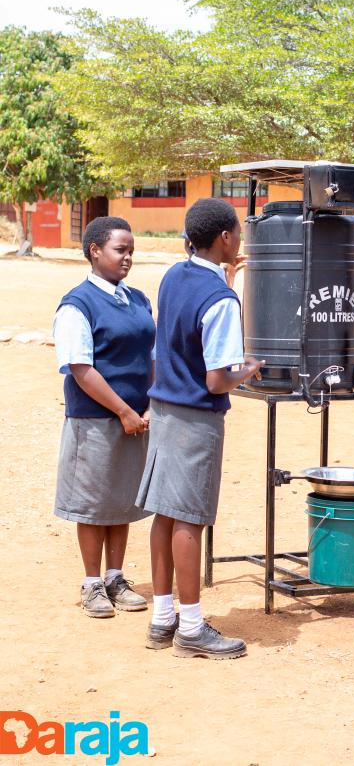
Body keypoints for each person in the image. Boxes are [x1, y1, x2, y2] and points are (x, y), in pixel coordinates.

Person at [136, 198, 263, 659]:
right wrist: (249, 369)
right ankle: (191, 628)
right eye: (238, 233)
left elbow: (179, 335)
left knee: (165, 513)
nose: (241, 240)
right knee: (191, 517)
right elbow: (216, 378)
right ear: (224, 238)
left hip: (164, 407)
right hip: (196, 418)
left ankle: (162, 618)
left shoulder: (174, 275)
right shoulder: (222, 301)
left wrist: (227, 284)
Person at [53, 216, 156, 618]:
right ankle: (92, 582)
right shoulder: (77, 305)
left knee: (123, 499)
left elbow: (150, 356)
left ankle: (116, 577)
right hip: (97, 420)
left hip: (136, 417)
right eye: (120, 250)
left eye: (131, 250)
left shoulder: (137, 299)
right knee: (94, 503)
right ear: (95, 251)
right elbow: (81, 369)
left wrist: (148, 403)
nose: (128, 257)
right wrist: (124, 410)